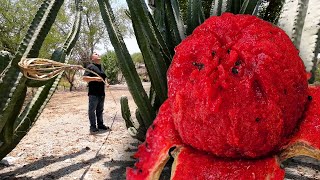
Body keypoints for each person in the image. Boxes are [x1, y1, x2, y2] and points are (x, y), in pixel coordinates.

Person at [83, 52, 110, 134]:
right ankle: (93, 127)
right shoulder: (90, 67)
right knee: (92, 110)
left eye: (98, 54)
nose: (98, 54)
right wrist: (95, 78)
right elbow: (84, 78)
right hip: (93, 93)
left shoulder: (101, 67)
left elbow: (104, 77)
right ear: (92, 58)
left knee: (100, 110)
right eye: (96, 54)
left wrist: (107, 83)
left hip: (102, 93)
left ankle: (100, 125)